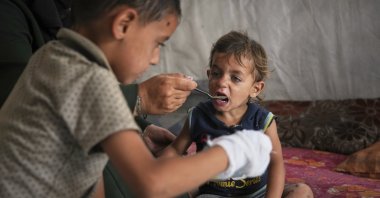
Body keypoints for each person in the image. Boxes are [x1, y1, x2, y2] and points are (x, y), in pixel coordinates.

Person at [0, 1, 273, 198]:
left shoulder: (51, 58)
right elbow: (152, 185)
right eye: (157, 43)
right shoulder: (91, 82)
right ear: (124, 24)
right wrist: (234, 151)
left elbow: (90, 175)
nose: (155, 58)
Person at [159, 31, 314, 198]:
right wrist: (154, 169)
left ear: (255, 89)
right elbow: (175, 151)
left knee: (302, 191)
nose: (222, 82)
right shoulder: (197, 116)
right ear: (209, 75)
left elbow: (276, 163)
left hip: (258, 194)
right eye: (216, 74)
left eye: (235, 78)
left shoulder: (263, 121)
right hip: (214, 194)